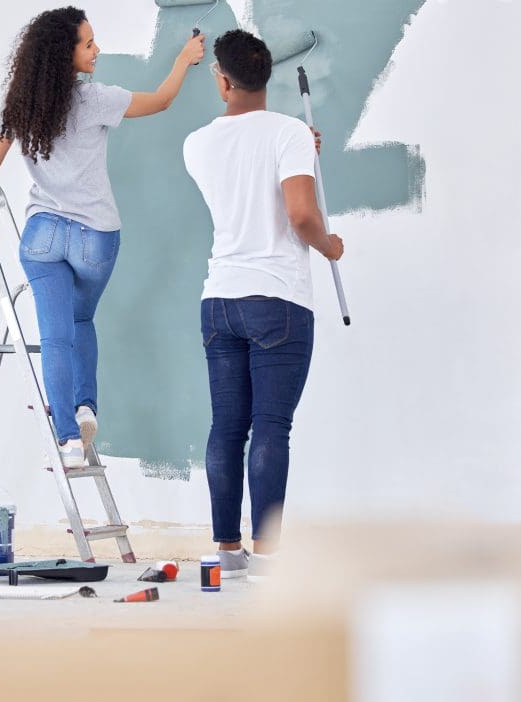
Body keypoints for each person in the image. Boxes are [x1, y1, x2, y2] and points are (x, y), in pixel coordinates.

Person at [0, 7, 205, 468]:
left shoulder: (17, 107)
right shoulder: (96, 99)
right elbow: (160, 101)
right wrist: (184, 58)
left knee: (55, 338)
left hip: (42, 237)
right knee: (81, 323)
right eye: (89, 43)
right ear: (65, 54)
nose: (97, 50)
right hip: (93, 237)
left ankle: (68, 442)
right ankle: (84, 408)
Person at [183, 30, 343, 579]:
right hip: (277, 301)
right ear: (266, 77)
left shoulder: (197, 143)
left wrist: (295, 146)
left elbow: (241, 171)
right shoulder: (289, 132)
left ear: (222, 80)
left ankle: (228, 552)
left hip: (220, 299)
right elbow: (300, 216)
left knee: (227, 427)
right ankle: (269, 557)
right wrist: (329, 245)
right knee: (271, 427)